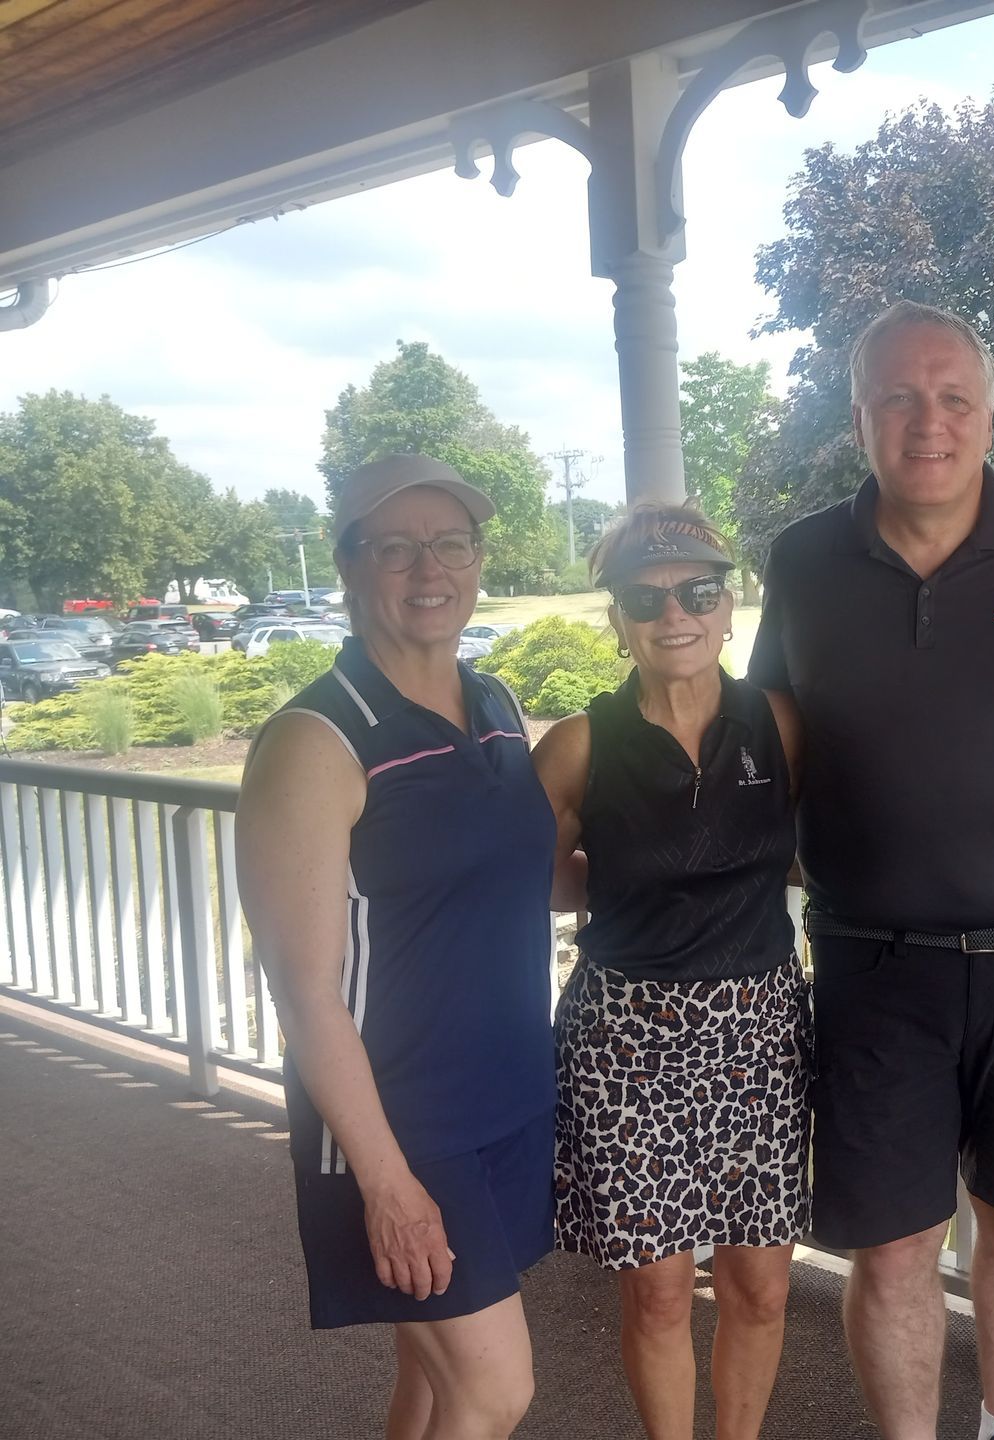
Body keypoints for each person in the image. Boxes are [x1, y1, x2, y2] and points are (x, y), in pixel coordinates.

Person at [748, 300, 994, 1440]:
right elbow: (772, 737)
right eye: (898, 397)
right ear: (861, 413)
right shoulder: (805, 558)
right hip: (873, 966)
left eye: (953, 397)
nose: (928, 421)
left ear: (988, 411)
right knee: (893, 1247)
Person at [236, 453, 556, 1439]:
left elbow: (512, 880)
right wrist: (385, 1182)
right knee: (493, 1390)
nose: (431, 568)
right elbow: (304, 992)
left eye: (451, 542)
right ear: (347, 565)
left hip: (506, 1095)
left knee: (432, 1384)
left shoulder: (495, 702)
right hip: (400, 1123)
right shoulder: (314, 741)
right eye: (397, 547)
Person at [532, 502, 809, 1440]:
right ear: (616, 618)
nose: (674, 614)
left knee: (761, 1287)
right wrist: (618, 877)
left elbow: (817, 849)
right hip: (626, 1038)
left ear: (731, 607)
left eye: (698, 591)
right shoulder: (578, 744)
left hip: (760, 1030)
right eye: (645, 598)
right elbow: (534, 882)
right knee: (656, 1293)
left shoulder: (778, 724)